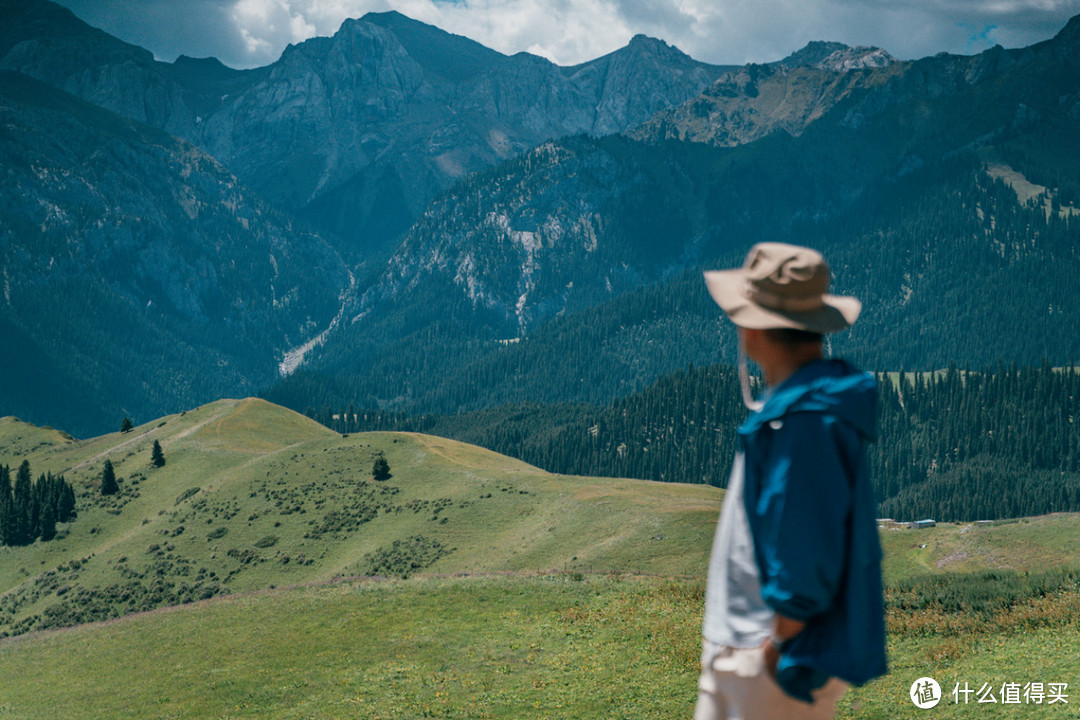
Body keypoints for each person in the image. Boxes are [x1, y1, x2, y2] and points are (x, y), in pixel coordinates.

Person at [695, 242, 887, 720]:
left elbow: (805, 549)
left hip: (765, 659)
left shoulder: (804, 423)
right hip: (747, 649)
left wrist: (776, 644)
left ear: (753, 329)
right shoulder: (799, 412)